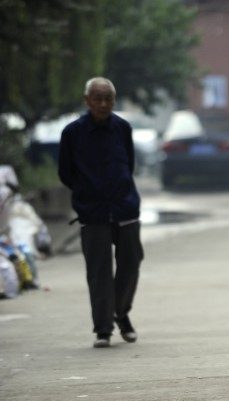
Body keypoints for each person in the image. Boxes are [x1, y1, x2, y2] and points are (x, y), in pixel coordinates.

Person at [58, 77, 144, 348]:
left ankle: (120, 311)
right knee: (99, 272)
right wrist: (86, 191)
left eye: (108, 99)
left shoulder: (122, 128)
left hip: (124, 206)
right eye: (98, 98)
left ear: (114, 101)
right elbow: (65, 172)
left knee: (131, 262)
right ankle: (103, 328)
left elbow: (127, 164)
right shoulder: (72, 133)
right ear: (87, 101)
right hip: (92, 211)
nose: (103, 104)